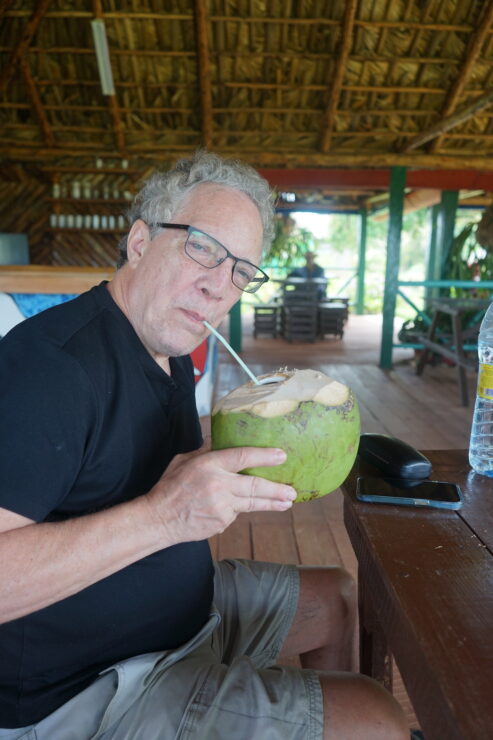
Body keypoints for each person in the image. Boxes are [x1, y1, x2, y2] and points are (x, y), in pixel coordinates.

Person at [0, 151, 408, 740]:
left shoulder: (166, 355)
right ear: (140, 243)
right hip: (84, 685)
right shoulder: (52, 368)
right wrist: (164, 517)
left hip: (178, 615)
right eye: (202, 248)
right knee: (379, 720)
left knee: (336, 599)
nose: (219, 285)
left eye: (242, 271)